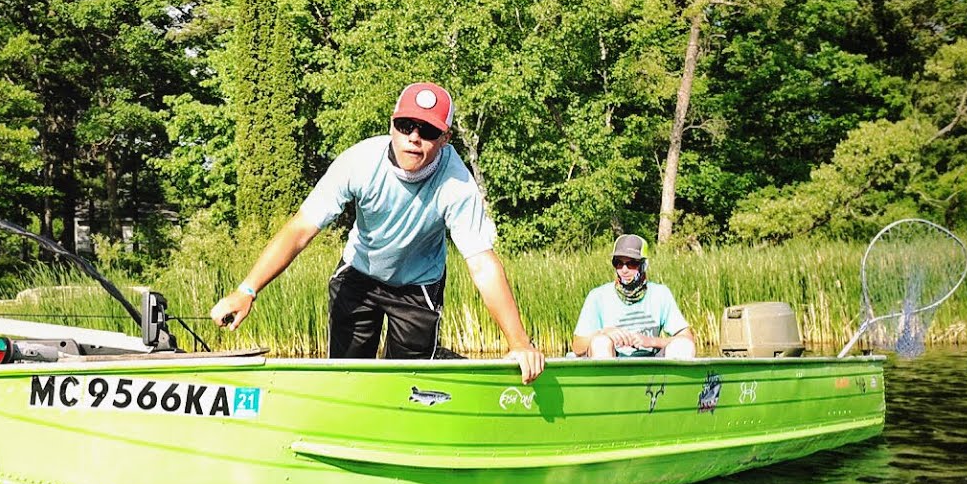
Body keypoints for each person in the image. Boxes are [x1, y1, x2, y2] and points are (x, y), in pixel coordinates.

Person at [209, 81, 546, 384]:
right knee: (348, 378)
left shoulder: (457, 183)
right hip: (359, 277)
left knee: (411, 385)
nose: (414, 137)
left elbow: (482, 264)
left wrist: (519, 343)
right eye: (405, 125)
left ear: (445, 139)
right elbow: (300, 229)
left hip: (418, 289)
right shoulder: (359, 162)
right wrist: (247, 290)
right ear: (392, 124)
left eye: (427, 130)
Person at [570, 234, 696, 358]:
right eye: (618, 263)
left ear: (643, 265)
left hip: (652, 362)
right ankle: (607, 377)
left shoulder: (661, 294)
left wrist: (651, 341)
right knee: (600, 342)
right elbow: (577, 346)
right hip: (613, 362)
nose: (624, 270)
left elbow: (687, 338)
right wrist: (604, 332)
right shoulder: (597, 296)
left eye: (631, 263)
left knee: (684, 345)